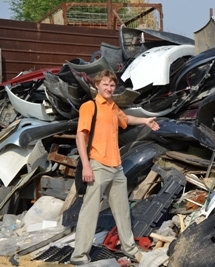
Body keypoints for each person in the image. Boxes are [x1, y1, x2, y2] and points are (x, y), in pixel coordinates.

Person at [70, 69, 160, 265]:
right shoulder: (90, 106)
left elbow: (125, 119)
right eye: (105, 84)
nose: (109, 88)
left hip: (116, 166)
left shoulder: (112, 106)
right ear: (97, 85)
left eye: (112, 85)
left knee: (122, 210)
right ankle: (79, 257)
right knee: (90, 211)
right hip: (97, 165)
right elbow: (80, 137)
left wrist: (145, 120)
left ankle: (130, 249)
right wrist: (86, 166)